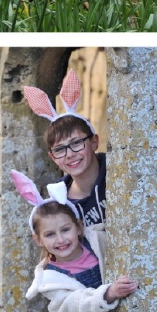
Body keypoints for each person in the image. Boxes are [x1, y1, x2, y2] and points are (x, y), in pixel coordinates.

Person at [11, 170, 138, 312]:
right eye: (50, 234)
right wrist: (109, 293)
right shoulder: (51, 280)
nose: (60, 240)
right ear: (39, 240)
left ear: (78, 227)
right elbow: (75, 307)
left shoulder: (98, 242)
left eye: (65, 230)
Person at [23, 69, 106, 229]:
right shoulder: (59, 202)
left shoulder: (118, 174)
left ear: (94, 142)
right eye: (60, 150)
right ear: (53, 157)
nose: (70, 154)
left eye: (76, 143)